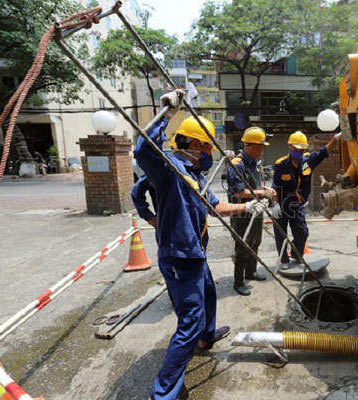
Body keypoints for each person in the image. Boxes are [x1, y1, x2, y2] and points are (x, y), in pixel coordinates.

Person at [134, 90, 267, 400]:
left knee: (208, 293)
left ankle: (207, 337)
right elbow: (142, 152)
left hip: (195, 251)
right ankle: (163, 393)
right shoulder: (168, 169)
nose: (210, 152)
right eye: (207, 146)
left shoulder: (194, 174)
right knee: (189, 321)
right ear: (194, 145)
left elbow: (214, 205)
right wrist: (167, 113)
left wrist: (246, 208)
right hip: (179, 256)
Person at [271, 130, 341, 268]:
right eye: (296, 148)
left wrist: (335, 139)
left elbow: (323, 152)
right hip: (281, 204)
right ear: (290, 147)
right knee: (280, 234)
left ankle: (296, 255)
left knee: (302, 233)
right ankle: (284, 260)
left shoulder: (308, 160)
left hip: (297, 205)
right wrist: (275, 204)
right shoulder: (280, 164)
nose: (299, 151)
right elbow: (275, 187)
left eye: (302, 149)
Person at [227, 127, 277, 296]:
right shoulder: (237, 165)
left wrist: (264, 188)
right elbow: (238, 192)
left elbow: (253, 185)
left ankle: (251, 272)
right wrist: (262, 193)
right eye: (261, 146)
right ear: (253, 146)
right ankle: (238, 282)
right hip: (242, 214)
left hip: (256, 212)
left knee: (255, 242)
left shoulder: (253, 163)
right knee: (243, 246)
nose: (263, 150)